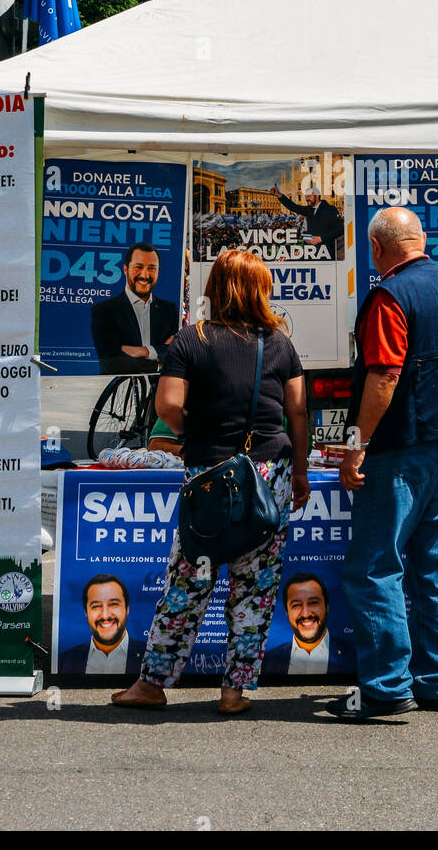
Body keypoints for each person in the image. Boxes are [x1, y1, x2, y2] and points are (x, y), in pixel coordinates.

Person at [111, 249, 311, 714]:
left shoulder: (190, 340)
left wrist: (193, 436)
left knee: (189, 579)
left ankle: (153, 684)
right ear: (259, 290)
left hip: (209, 474)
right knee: (256, 586)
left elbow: (166, 407)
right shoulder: (278, 343)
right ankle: (234, 693)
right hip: (269, 475)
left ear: (215, 288)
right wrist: (299, 471)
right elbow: (297, 411)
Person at [332, 206, 438, 721]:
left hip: (399, 449)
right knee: (434, 569)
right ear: (423, 242)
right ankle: (435, 684)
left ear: (377, 249)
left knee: (375, 568)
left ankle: (384, 689)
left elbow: (383, 377)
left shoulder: (388, 295)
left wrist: (356, 443)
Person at [90, 242, 180, 373]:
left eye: (152, 268)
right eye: (138, 267)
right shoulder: (104, 311)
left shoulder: (169, 310)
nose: (145, 275)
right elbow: (112, 362)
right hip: (120, 389)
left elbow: (176, 353)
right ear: (125, 269)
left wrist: (144, 351)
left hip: (159, 389)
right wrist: (158, 363)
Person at [261, 572, 356, 675]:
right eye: (296, 605)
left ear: (326, 607)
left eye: (313, 602)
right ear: (287, 613)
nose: (306, 614)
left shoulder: (355, 656)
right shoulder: (267, 661)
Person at [58, 573, 147, 675]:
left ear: (127, 609)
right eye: (96, 606)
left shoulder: (151, 659)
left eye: (113, 604)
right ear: (86, 613)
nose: (105, 615)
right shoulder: (64, 662)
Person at [274, 180, 345, 259]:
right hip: (310, 252)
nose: (307, 199)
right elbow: (293, 207)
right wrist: (280, 195)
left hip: (325, 254)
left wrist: (321, 238)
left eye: (309, 196)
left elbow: (339, 230)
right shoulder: (309, 209)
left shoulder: (330, 209)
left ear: (317, 196)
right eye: (306, 196)